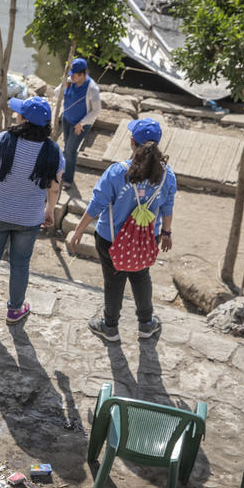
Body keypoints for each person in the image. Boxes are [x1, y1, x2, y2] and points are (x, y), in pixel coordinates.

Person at [69, 118, 175, 342]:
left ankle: (110, 326)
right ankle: (146, 323)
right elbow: (168, 207)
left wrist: (79, 230)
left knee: (114, 280)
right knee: (141, 276)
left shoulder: (117, 172)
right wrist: (166, 233)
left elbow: (97, 204)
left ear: (131, 142)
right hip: (147, 239)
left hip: (111, 239)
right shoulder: (167, 175)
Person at [0, 97, 64, 323]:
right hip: (29, 218)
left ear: (23, 119)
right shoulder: (53, 151)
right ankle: (14, 310)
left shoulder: (4, 139)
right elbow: (54, 188)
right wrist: (49, 211)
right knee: (20, 263)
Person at [60, 57, 101, 189]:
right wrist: (64, 83)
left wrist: (82, 123)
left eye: (74, 75)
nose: (72, 76)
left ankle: (68, 179)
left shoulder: (92, 89)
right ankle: (64, 170)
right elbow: (57, 94)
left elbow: (96, 111)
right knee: (66, 146)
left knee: (71, 150)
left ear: (83, 74)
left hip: (80, 124)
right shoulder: (70, 81)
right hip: (66, 119)